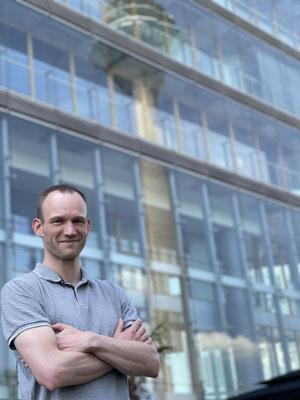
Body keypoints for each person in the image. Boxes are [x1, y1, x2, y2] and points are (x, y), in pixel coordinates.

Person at [1, 184, 160, 400]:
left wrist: (92, 341)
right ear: (39, 227)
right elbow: (52, 373)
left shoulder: (114, 294)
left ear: (88, 226)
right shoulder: (21, 291)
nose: (69, 230)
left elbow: (150, 363)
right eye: (58, 221)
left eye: (77, 221)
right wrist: (118, 349)